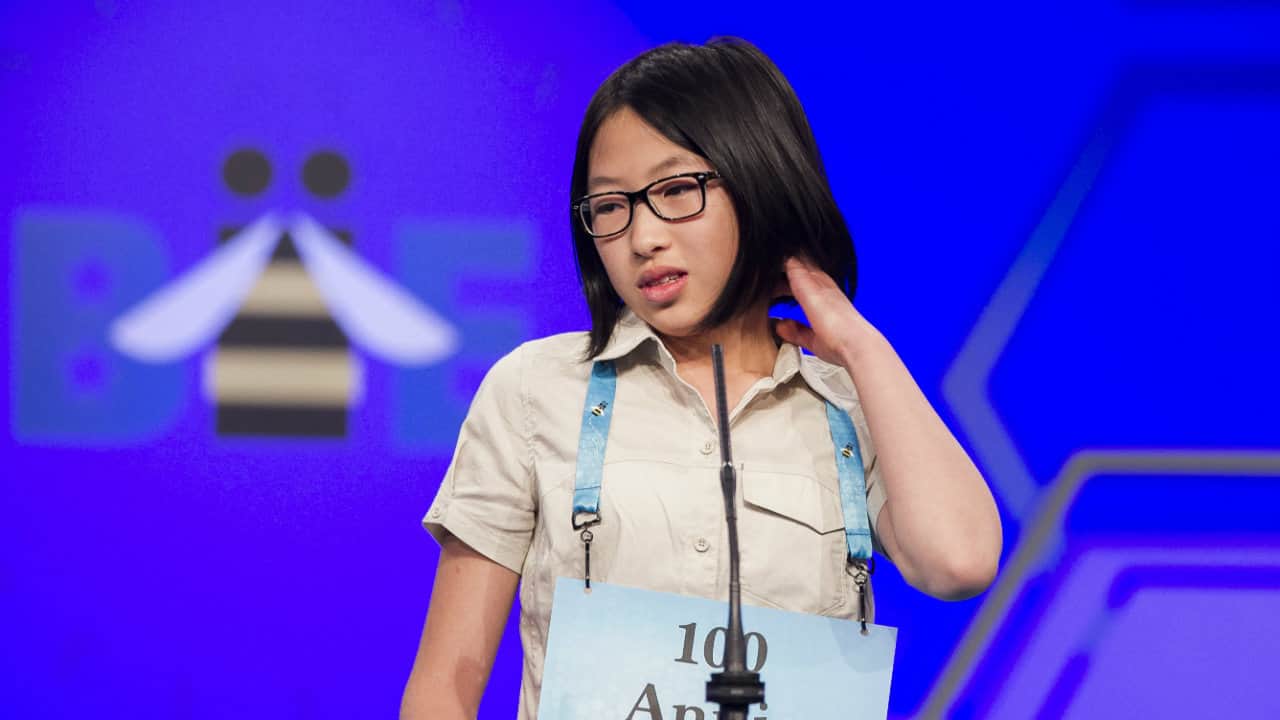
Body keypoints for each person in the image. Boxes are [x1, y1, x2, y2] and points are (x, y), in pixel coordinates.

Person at [400, 38, 1002, 720]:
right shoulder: (535, 391)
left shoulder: (845, 409)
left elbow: (959, 563)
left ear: (759, 181)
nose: (642, 237)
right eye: (609, 207)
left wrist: (861, 348)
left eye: (677, 190)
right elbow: (443, 689)